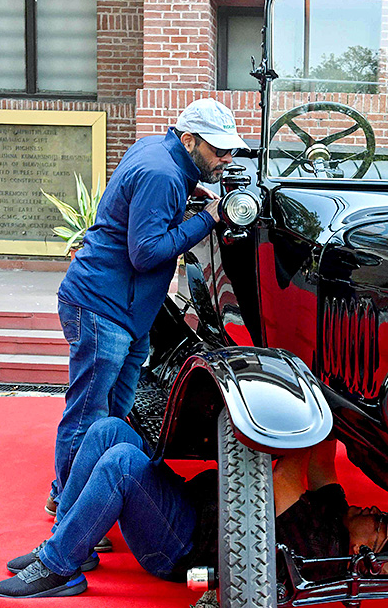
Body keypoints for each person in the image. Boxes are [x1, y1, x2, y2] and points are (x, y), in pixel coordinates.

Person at [49, 99, 247, 519]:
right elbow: (147, 252)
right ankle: (67, 506)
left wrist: (192, 186)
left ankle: (92, 497)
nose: (227, 158)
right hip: (103, 308)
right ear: (189, 139)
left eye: (230, 149)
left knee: (115, 415)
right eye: (218, 150)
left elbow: (145, 182)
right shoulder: (162, 173)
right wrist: (208, 217)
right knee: (88, 412)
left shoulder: (157, 151)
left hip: (125, 311)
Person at [0, 417, 388, 598]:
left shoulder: (324, 551)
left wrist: (302, 414)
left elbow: (280, 479)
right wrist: (333, 407)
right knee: (109, 430)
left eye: (379, 523)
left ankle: (58, 570)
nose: (373, 510)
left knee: (122, 462)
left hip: (181, 548)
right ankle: (67, 545)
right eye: (381, 511)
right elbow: (321, 461)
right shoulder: (338, 511)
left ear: (361, 552)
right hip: (189, 507)